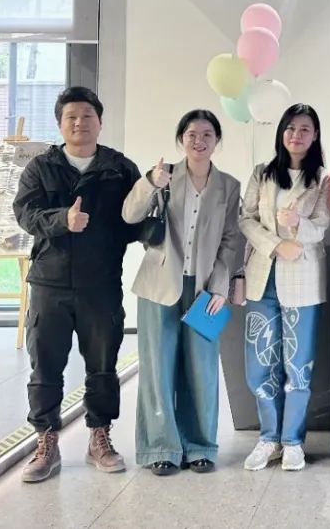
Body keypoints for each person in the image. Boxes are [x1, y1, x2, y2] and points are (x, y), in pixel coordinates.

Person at [13, 87, 141, 483]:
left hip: (101, 284)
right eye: (71, 116)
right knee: (45, 365)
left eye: (87, 116)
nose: (79, 123)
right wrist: (61, 221)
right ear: (60, 124)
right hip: (49, 283)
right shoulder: (41, 167)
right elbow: (25, 214)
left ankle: (99, 437)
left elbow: (135, 220)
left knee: (103, 366)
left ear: (100, 122)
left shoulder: (120, 169)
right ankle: (46, 441)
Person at [122, 109, 244, 476]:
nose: (199, 140)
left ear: (217, 141)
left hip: (205, 289)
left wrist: (220, 287)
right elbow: (129, 215)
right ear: (181, 139)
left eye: (207, 134)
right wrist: (150, 182)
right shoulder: (164, 176)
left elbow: (231, 239)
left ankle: (200, 446)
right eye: (192, 134)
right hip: (159, 285)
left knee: (202, 368)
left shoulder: (229, 186)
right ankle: (161, 447)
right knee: (158, 367)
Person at [239, 103, 330, 473]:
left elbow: (321, 226)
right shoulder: (262, 173)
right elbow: (246, 219)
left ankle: (292, 441)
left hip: (303, 280)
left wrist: (297, 225)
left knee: (298, 365)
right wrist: (276, 243)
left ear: (315, 135)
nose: (297, 135)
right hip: (263, 278)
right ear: (282, 132)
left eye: (305, 129)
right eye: (291, 128)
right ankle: (269, 438)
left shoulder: (322, 179)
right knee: (260, 364)